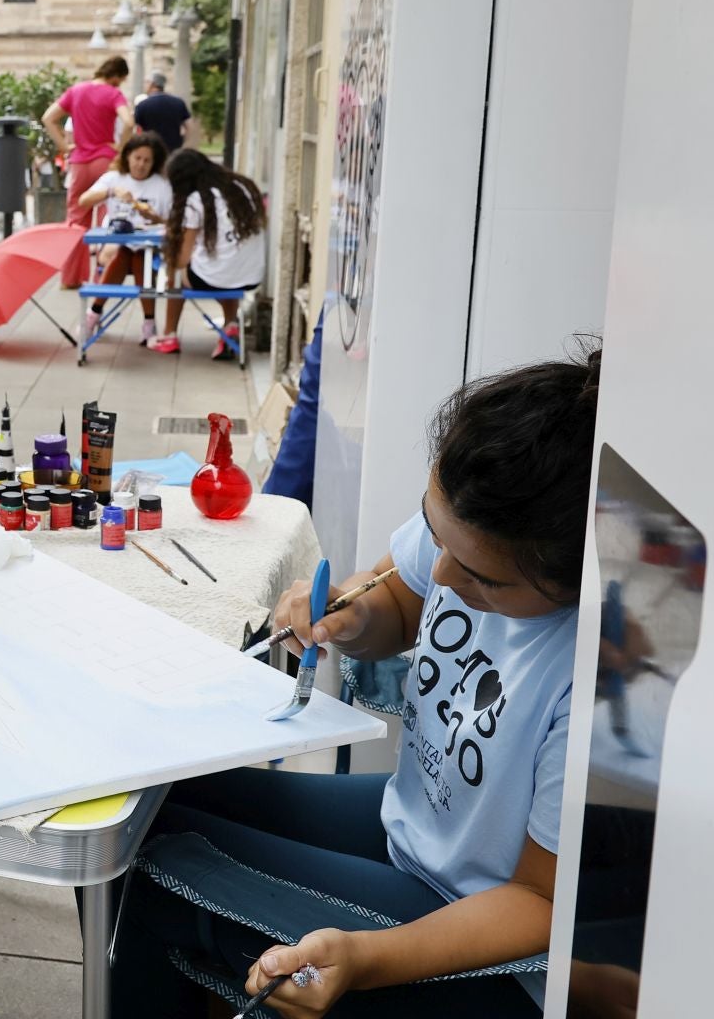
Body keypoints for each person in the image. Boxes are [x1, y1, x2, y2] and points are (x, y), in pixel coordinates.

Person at [103, 347, 599, 1017]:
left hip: (478, 918)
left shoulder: (588, 685)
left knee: (146, 871)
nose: (444, 574)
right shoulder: (471, 537)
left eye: (483, 579)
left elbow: (537, 905)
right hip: (412, 824)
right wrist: (349, 614)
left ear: (573, 579)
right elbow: (398, 605)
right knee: (136, 793)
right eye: (435, 534)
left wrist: (366, 960)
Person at [149, 147, 265, 357]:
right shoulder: (242, 186)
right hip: (252, 275)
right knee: (225, 267)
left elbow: (183, 259)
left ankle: (169, 335)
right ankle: (230, 326)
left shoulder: (196, 200)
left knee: (175, 271)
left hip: (217, 276)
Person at [42, 57, 135, 287]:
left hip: (80, 162)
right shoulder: (113, 94)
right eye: (120, 81)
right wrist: (121, 148)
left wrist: (64, 146)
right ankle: (103, 275)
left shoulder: (75, 91)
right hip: (105, 161)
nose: (119, 85)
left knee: (75, 221)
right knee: (108, 219)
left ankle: (71, 278)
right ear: (116, 76)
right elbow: (129, 122)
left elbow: (48, 118)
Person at [76, 131, 172, 345]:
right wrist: (110, 193)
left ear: (154, 162)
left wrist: (153, 216)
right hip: (116, 246)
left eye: (147, 160)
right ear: (127, 157)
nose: (141, 164)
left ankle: (94, 312)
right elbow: (84, 201)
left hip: (150, 250)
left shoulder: (162, 185)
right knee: (128, 252)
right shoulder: (114, 179)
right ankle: (149, 322)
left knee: (137, 254)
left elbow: (171, 222)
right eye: (137, 158)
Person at [132, 71, 192, 151]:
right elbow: (189, 127)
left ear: (152, 84)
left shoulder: (143, 105)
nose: (144, 85)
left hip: (151, 149)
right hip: (173, 150)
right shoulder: (178, 103)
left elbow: (133, 127)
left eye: (146, 82)